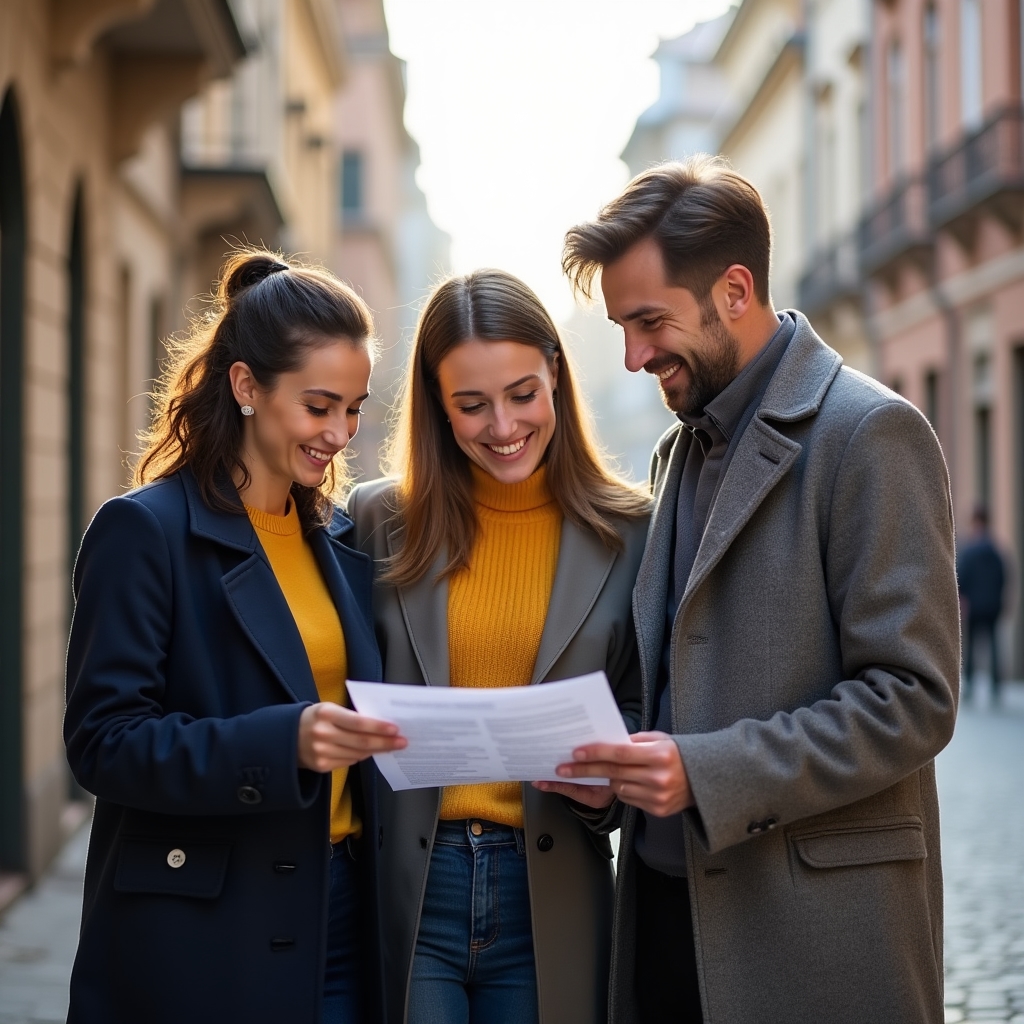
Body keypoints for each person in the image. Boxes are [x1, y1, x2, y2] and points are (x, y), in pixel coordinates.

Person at [552, 156, 960, 1024]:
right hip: (666, 925)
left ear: (735, 291)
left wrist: (706, 773)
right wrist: (617, 770)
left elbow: (914, 700)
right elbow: (682, 678)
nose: (633, 356)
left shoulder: (871, 432)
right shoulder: (674, 453)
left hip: (810, 935)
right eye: (622, 327)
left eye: (650, 322)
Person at [63, 250, 406, 1024]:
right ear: (247, 386)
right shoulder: (144, 531)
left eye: (354, 409)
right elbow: (103, 742)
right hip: (205, 930)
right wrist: (285, 742)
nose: (340, 433)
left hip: (342, 912)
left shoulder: (339, 540)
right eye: (318, 406)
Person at [347, 269, 650, 1024]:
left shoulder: (635, 531)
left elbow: (651, 709)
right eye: (472, 404)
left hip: (553, 888)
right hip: (413, 885)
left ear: (556, 376)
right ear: (437, 405)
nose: (503, 425)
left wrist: (611, 786)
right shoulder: (378, 519)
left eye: (522, 393)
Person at [957, 505, 1008, 703]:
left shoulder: (970, 551)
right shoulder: (995, 551)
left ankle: (970, 683)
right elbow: (1003, 577)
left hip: (975, 606)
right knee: (994, 645)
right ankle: (996, 685)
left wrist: (962, 599)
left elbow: (962, 577)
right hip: (992, 605)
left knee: (971, 646)